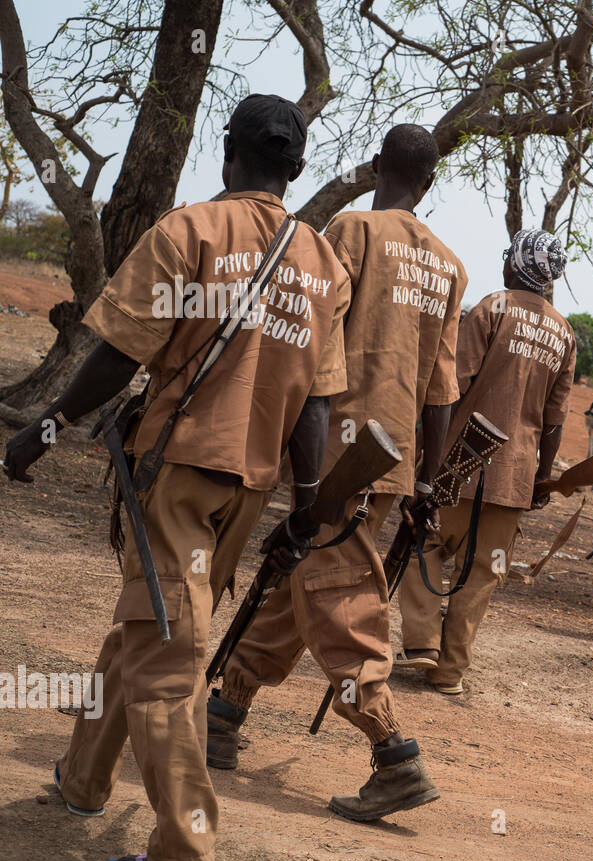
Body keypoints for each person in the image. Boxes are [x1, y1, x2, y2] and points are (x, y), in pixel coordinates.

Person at [2, 94, 350, 861]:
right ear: (295, 170)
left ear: (228, 155)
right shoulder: (326, 266)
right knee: (152, 621)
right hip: (249, 491)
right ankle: (85, 779)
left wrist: (46, 426)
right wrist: (304, 505)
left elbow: (120, 355)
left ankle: (183, 852)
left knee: (165, 657)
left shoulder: (189, 229)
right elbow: (317, 404)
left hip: (181, 477)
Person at [205, 124, 466, 821]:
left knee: (342, 599)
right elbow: (443, 389)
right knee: (301, 582)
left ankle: (394, 755)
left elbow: (316, 335)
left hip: (336, 450)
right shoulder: (449, 264)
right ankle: (224, 712)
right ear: (430, 182)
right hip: (393, 455)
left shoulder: (352, 228)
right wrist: (427, 482)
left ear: (375, 165)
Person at [396, 228, 575, 694]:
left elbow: (449, 390)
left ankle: (421, 643)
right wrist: (541, 476)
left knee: (426, 541)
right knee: (482, 572)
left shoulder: (492, 307)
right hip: (514, 477)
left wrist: (424, 460)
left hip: (462, 457)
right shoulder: (565, 334)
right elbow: (555, 421)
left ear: (516, 265)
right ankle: (450, 672)